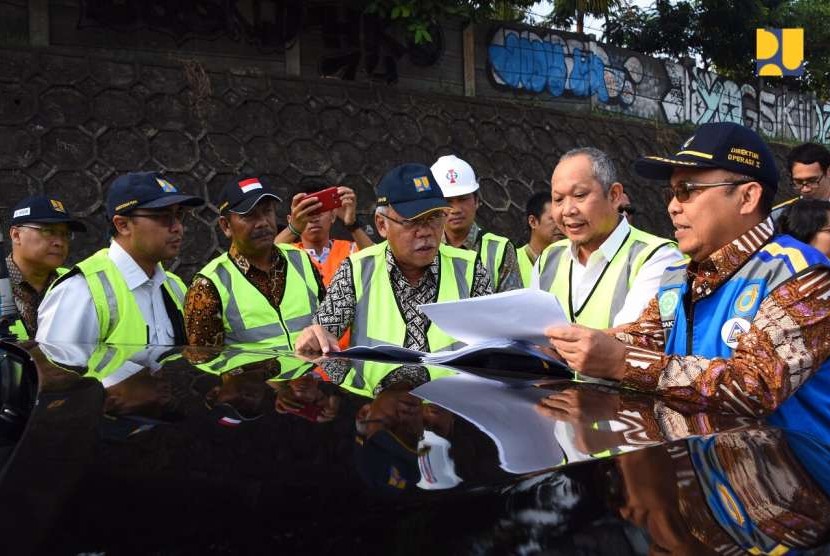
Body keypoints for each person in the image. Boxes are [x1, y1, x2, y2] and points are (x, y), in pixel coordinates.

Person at [544, 122, 830, 440]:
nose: (672, 206)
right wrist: (563, 347)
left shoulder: (803, 275)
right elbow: (641, 339)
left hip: (799, 481)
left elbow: (756, 385)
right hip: (706, 475)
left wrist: (624, 362)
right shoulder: (679, 278)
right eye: (671, 193)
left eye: (687, 191)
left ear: (747, 197)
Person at [294, 163, 493, 355]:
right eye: (411, 222)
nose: (425, 232)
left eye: (434, 218)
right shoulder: (356, 271)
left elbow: (494, 342)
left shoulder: (470, 269)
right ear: (382, 225)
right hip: (378, 389)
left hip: (452, 389)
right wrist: (313, 335)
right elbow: (322, 338)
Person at [37, 172, 204, 346]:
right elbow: (53, 370)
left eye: (179, 215)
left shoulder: (175, 287)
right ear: (123, 225)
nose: (178, 227)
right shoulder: (81, 291)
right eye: (163, 216)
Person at [535, 147, 683, 328]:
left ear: (614, 195)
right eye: (558, 199)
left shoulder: (657, 257)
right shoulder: (548, 258)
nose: (567, 210)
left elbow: (634, 338)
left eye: (579, 195)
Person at [185, 175, 325, 349]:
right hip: (253, 377)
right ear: (226, 226)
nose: (263, 223)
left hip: (311, 376)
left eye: (267, 211)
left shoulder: (301, 259)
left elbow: (326, 323)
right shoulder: (208, 284)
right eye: (249, 215)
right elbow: (204, 360)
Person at [430, 154, 521, 292]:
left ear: (477, 201)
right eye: (448, 201)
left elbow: (513, 306)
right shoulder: (426, 248)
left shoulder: (499, 249)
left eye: (463, 199)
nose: (456, 209)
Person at [5, 195, 86, 339]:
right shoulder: (3, 283)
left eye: (65, 234)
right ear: (16, 235)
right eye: (48, 231)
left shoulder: (75, 284)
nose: (60, 242)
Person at [283, 184, 373, 286]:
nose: (314, 218)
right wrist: (292, 228)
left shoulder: (351, 250)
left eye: (319, 211)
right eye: (307, 212)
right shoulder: (286, 255)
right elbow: (263, 260)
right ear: (291, 220)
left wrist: (352, 224)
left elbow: (379, 263)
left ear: (333, 216)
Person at [771, 142, 830, 220]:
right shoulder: (780, 216)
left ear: (828, 172)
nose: (805, 189)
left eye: (812, 180)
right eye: (798, 182)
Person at [516, 191, 563, 287]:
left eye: (562, 219)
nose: (560, 226)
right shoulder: (513, 260)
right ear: (533, 222)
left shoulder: (570, 260)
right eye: (553, 219)